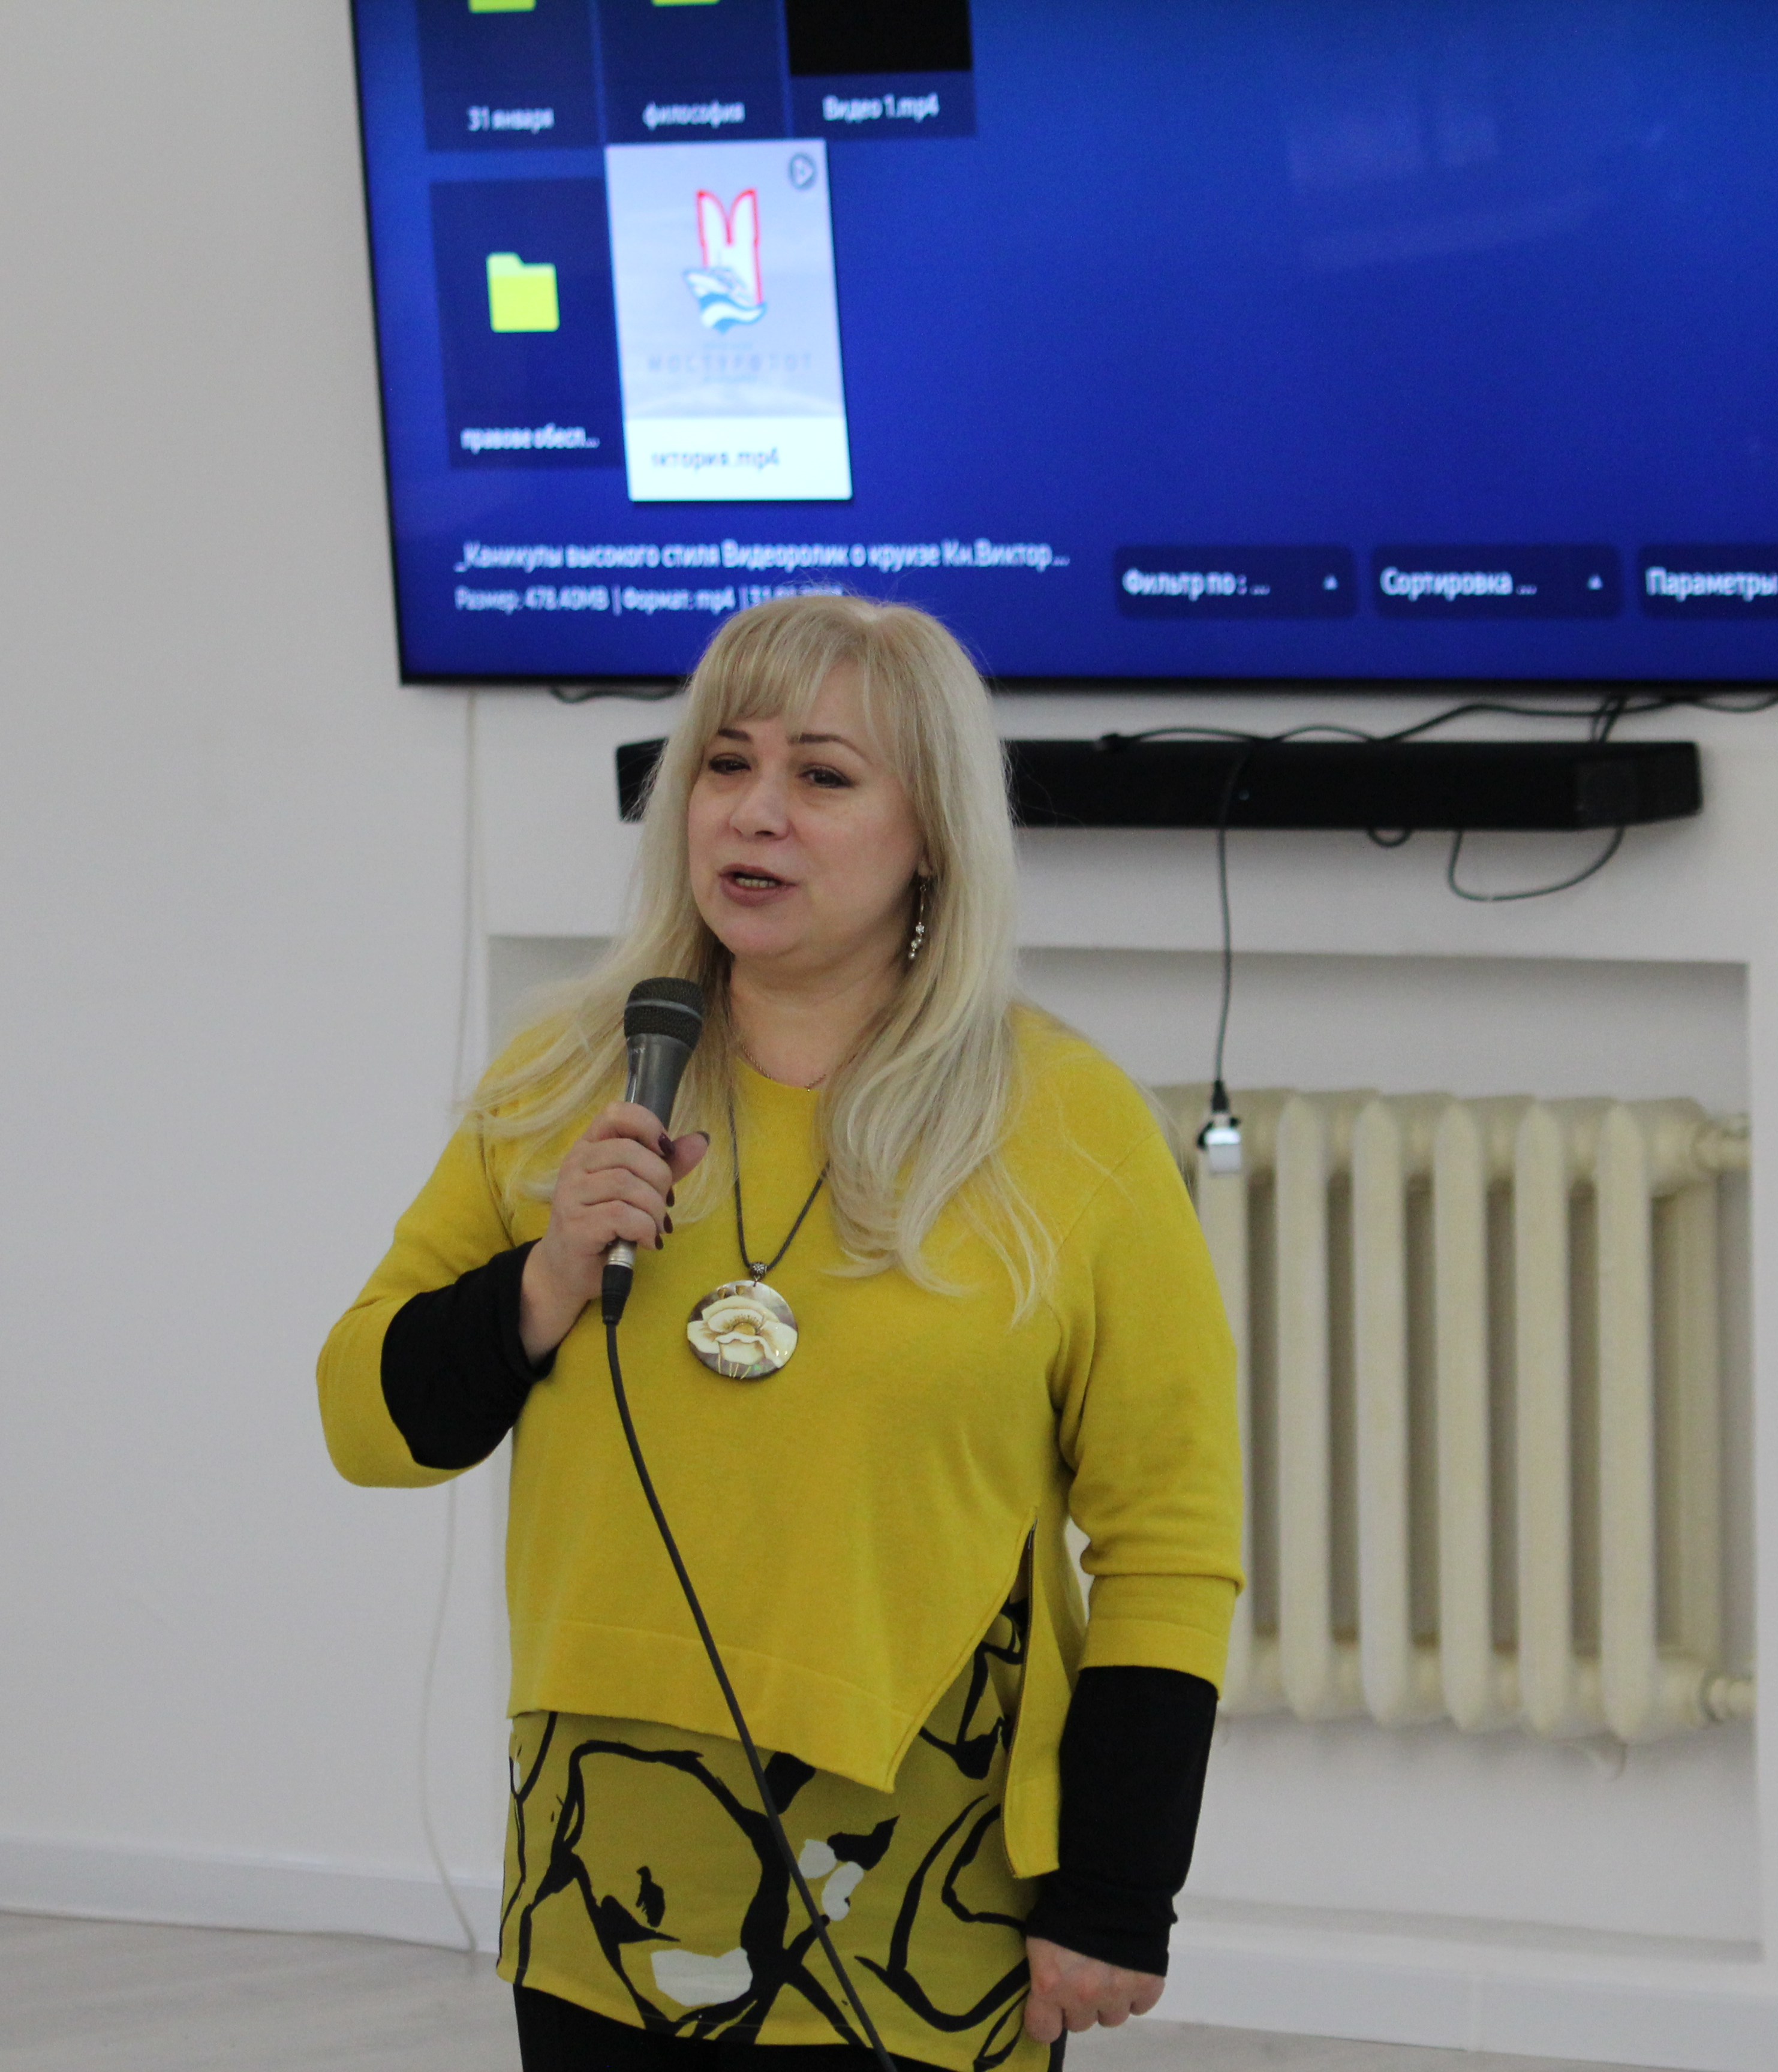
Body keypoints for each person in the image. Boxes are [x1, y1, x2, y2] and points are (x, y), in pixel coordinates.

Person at [318, 595, 1241, 2069]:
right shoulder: (567, 1081)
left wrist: (1121, 1888)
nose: (756, 813)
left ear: (932, 833)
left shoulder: (1067, 1126)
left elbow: (1171, 1539)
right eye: (725, 763)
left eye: (822, 775)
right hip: (608, 1861)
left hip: (924, 1874)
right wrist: (541, 1282)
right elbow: (366, 1426)